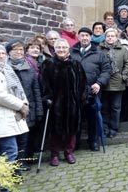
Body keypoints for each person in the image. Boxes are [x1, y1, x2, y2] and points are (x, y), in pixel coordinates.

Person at [40, 38, 87, 166]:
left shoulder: (76, 64)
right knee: (55, 130)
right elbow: (44, 84)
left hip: (72, 103)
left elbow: (83, 83)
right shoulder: (48, 64)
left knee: (71, 129)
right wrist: (47, 98)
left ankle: (68, 152)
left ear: (68, 49)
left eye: (64, 47)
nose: (61, 50)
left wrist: (81, 98)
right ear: (54, 49)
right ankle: (54, 154)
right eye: (59, 47)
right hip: (55, 104)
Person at [70, 27, 111, 151]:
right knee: (76, 117)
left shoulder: (99, 53)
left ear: (90, 37)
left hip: (93, 91)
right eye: (82, 35)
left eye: (87, 36)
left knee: (93, 118)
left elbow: (106, 70)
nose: (84, 38)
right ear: (79, 36)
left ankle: (93, 141)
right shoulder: (71, 52)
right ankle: (75, 143)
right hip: (75, 91)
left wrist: (99, 83)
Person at [5, 39, 44, 171]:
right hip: (12, 108)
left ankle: (24, 160)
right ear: (9, 52)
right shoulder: (5, 68)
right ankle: (14, 163)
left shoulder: (28, 67)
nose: (19, 52)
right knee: (14, 137)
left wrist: (39, 109)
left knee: (27, 137)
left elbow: (36, 90)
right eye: (16, 50)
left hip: (29, 107)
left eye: (21, 49)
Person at [99, 28, 128, 138]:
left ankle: (114, 128)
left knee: (115, 107)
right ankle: (104, 127)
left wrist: (124, 76)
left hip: (118, 82)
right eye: (108, 36)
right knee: (104, 107)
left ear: (116, 37)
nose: (110, 38)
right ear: (105, 37)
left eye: (112, 36)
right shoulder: (99, 49)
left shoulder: (122, 49)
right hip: (104, 82)